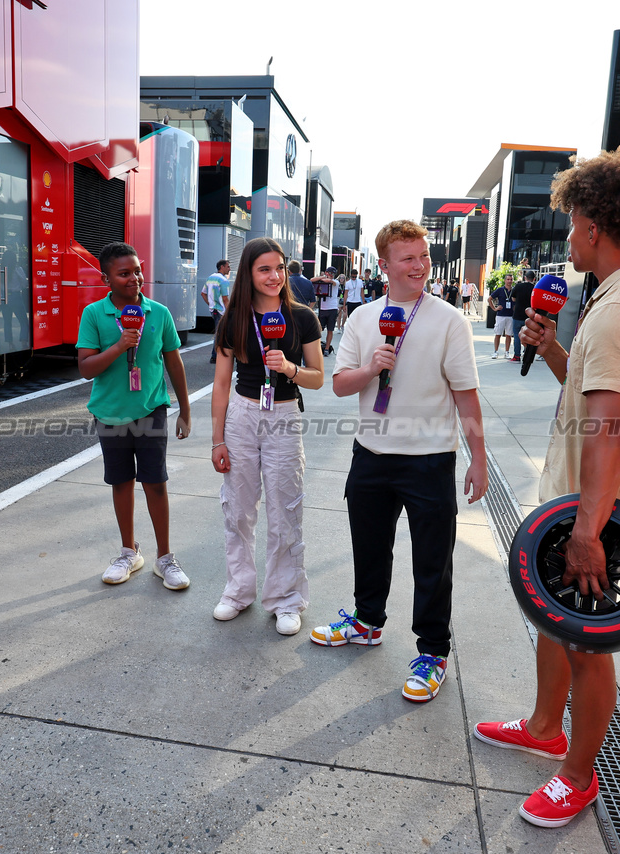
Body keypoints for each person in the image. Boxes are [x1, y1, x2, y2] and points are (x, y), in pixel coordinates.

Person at [474, 148, 620, 829]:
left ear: (594, 225)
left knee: (588, 644)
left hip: (600, 512)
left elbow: (611, 433)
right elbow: (597, 403)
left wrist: (589, 532)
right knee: (553, 624)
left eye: (572, 223)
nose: (567, 236)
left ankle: (578, 776)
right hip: (577, 502)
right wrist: (559, 353)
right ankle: (542, 726)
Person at [311, 220, 487, 703]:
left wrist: (478, 459)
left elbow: (466, 397)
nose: (420, 266)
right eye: (408, 259)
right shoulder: (364, 318)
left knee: (433, 561)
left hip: (429, 461)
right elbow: (341, 383)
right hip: (370, 457)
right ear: (383, 265)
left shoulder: (449, 320)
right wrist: (372, 367)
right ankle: (367, 621)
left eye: (424, 256)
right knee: (369, 548)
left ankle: (433, 650)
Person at [210, 238, 325, 635]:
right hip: (242, 414)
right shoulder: (233, 319)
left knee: (284, 508)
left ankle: (286, 598)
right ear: (249, 274)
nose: (274, 276)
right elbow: (221, 384)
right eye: (264, 269)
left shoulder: (302, 317)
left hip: (284, 414)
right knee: (238, 509)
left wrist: (289, 368)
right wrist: (217, 440)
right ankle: (238, 590)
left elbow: (318, 377)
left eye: (279, 267)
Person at [77, 242, 192, 589]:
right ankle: (129, 552)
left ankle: (165, 558)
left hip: (151, 410)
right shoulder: (94, 315)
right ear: (106, 278)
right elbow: (85, 368)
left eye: (137, 271)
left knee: (155, 482)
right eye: (124, 273)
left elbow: (173, 362)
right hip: (110, 413)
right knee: (121, 482)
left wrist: (185, 410)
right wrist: (119, 346)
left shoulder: (159, 313)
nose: (134, 279)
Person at [204, 259, 231, 363]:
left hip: (213, 310)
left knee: (219, 331)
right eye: (228, 266)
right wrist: (229, 312)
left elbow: (203, 293)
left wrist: (210, 304)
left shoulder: (210, 278)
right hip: (221, 311)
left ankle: (217, 355)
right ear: (222, 267)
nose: (229, 269)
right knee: (220, 333)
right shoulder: (224, 281)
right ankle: (215, 356)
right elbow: (225, 299)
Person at [311, 265, 342, 355]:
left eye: (332, 273)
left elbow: (329, 281)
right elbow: (312, 280)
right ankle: (317, 347)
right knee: (319, 329)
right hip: (323, 308)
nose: (331, 275)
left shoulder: (336, 282)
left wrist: (327, 277)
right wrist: (323, 276)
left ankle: (327, 348)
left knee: (330, 329)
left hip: (332, 308)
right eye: (329, 273)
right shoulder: (323, 279)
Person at [510, 271, 536, 361]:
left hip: (517, 315)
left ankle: (517, 356)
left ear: (525, 278)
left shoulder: (518, 286)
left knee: (517, 336)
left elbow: (513, 298)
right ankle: (527, 356)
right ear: (534, 279)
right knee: (529, 336)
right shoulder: (535, 288)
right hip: (529, 317)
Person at [489, 273, 515, 358]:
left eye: (511, 279)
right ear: (505, 280)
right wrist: (494, 308)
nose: (509, 281)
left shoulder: (514, 290)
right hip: (500, 315)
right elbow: (489, 299)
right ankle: (495, 351)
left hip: (510, 315)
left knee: (509, 334)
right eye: (508, 279)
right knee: (498, 334)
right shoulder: (500, 290)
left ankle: (507, 352)